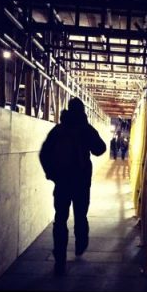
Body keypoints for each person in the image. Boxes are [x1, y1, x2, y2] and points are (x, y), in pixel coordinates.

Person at [39, 97, 106, 276]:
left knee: (60, 219)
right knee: (80, 216)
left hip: (62, 183)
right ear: (82, 111)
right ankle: (80, 244)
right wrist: (88, 129)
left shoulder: (58, 130)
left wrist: (51, 174)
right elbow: (100, 149)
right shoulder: (85, 130)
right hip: (81, 183)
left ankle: (60, 259)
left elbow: (44, 153)